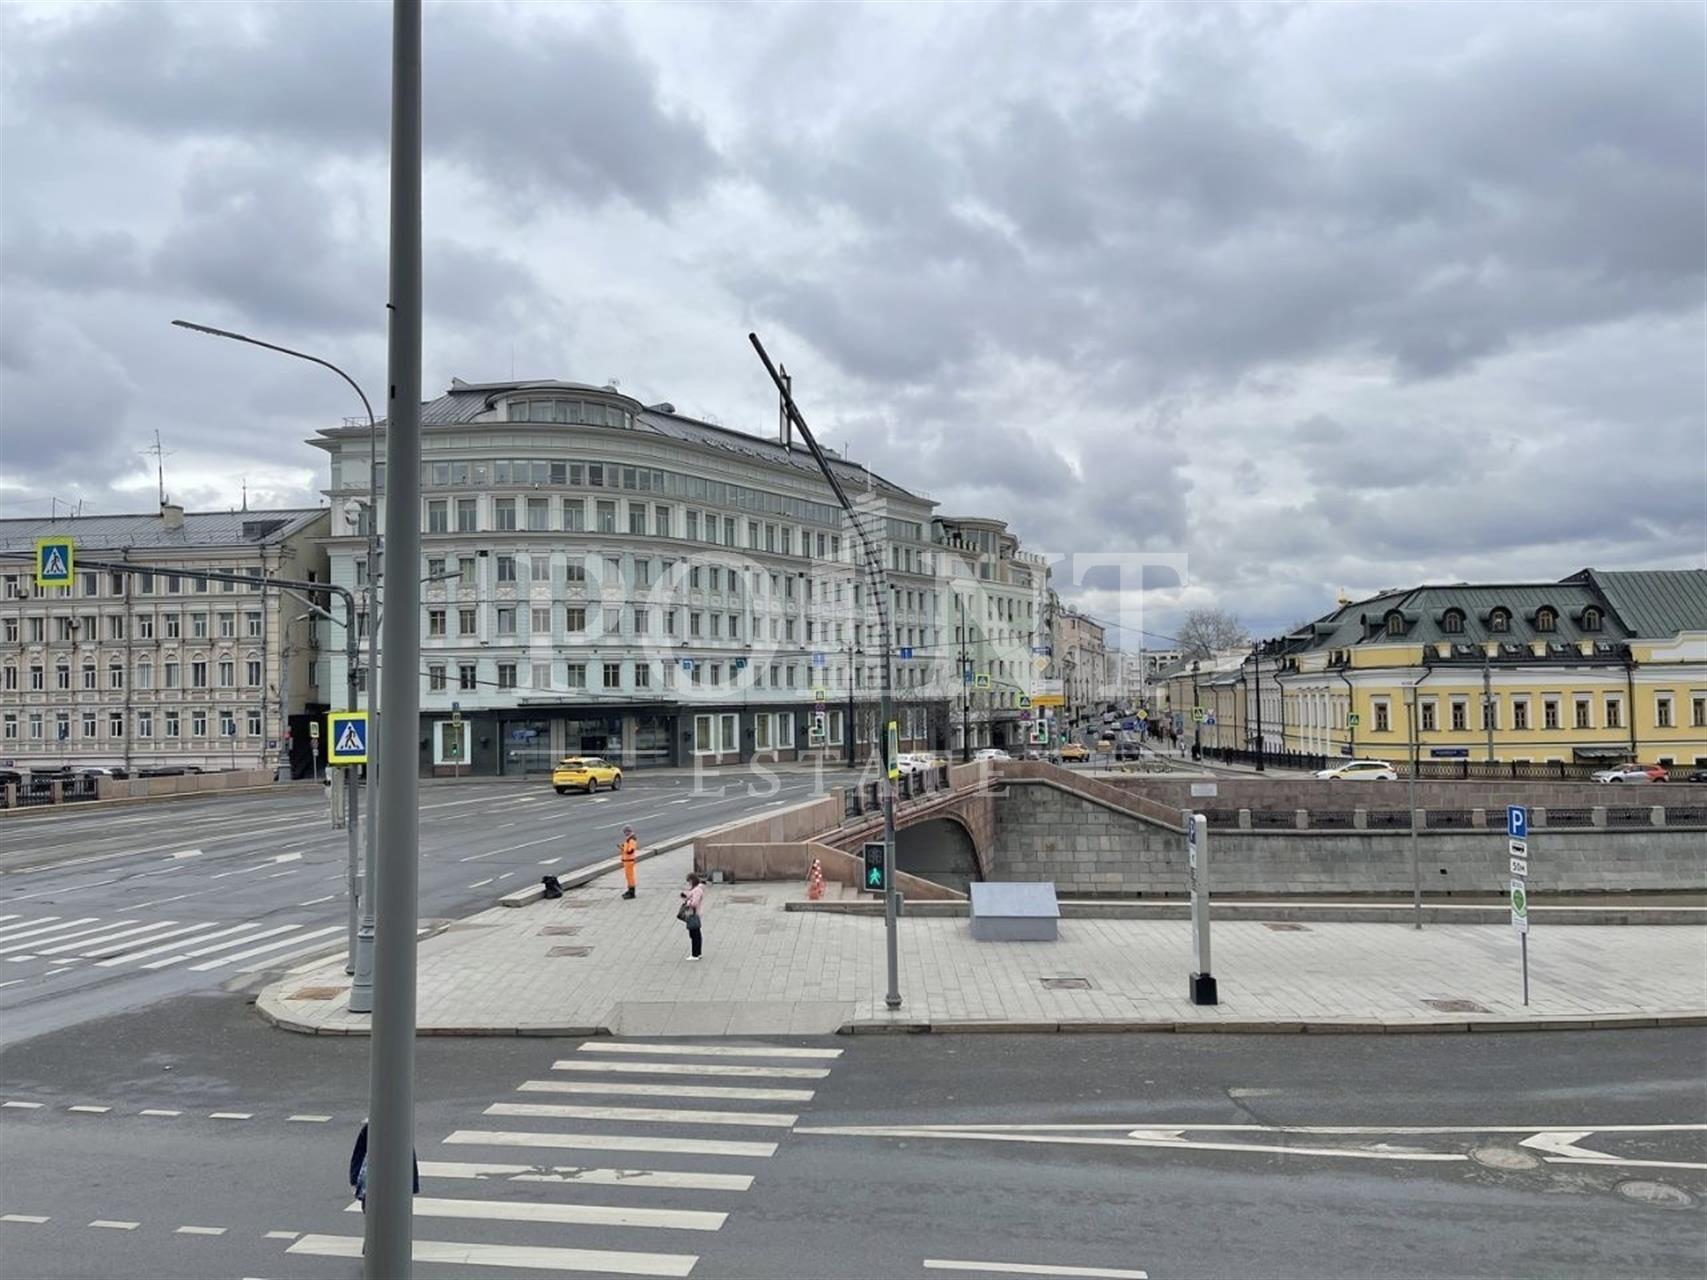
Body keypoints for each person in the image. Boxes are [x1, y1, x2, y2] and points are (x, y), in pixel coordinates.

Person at [348, 1120, 420, 1212]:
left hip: (387, 1186)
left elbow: (358, 1153)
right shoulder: (374, 1127)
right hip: (375, 1185)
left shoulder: (397, 1128)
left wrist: (354, 1179)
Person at [680, 872, 705, 960]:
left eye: (689, 881)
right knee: (696, 934)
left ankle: (695, 954)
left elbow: (695, 903)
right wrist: (685, 896)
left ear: (692, 880)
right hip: (694, 913)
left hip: (693, 914)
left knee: (694, 935)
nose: (689, 883)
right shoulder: (696, 889)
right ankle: (698, 953)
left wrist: (688, 902)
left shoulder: (697, 890)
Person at [619, 825, 638, 899]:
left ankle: (632, 892)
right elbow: (628, 849)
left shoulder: (631, 839)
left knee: (630, 876)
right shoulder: (629, 839)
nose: (625, 833)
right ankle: (630, 890)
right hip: (627, 860)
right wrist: (623, 847)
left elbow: (630, 851)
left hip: (629, 861)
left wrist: (623, 848)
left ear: (629, 831)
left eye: (625, 832)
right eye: (624, 832)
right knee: (628, 876)